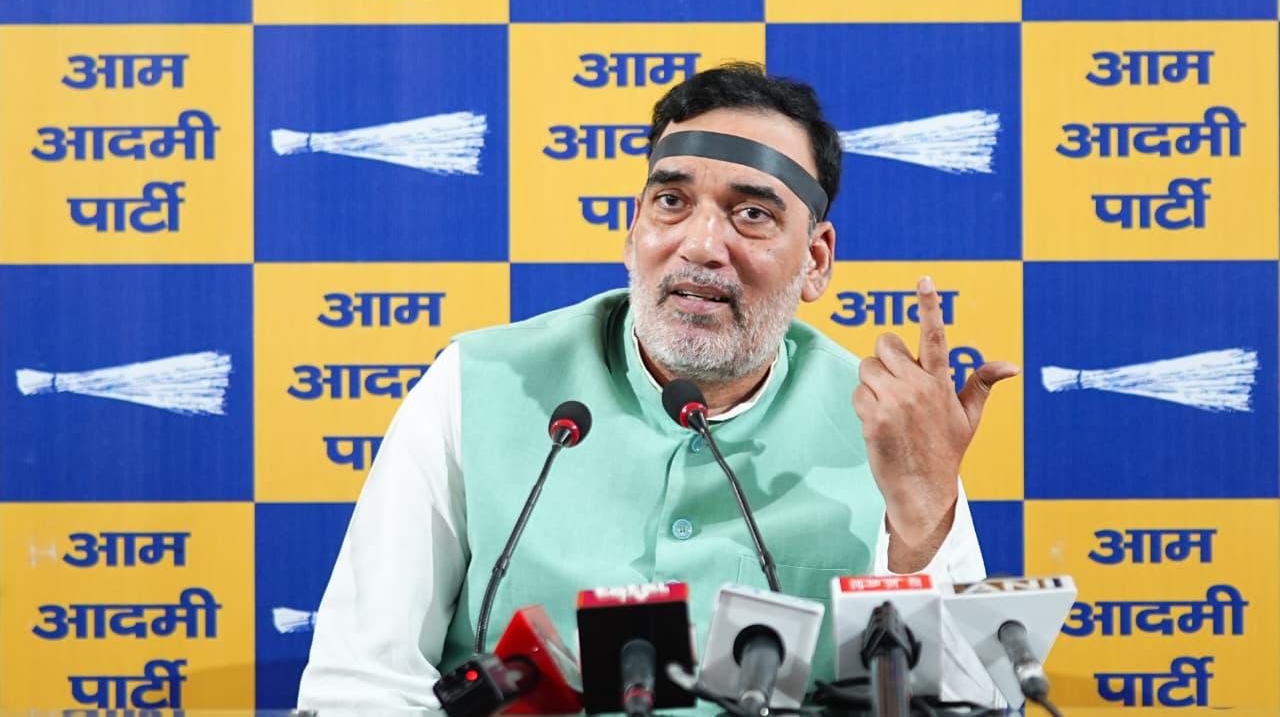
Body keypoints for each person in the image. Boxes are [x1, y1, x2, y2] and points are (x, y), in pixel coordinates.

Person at [298, 63, 1019, 709]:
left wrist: (922, 528)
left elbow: (975, 704)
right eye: (672, 202)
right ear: (632, 229)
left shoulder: (885, 426)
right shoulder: (476, 385)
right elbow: (361, 684)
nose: (701, 246)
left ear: (817, 261)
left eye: (752, 214)